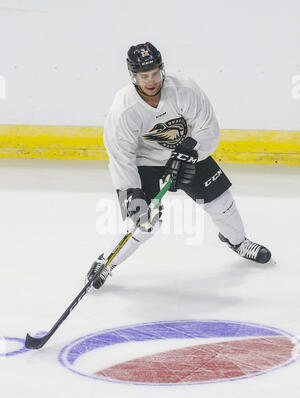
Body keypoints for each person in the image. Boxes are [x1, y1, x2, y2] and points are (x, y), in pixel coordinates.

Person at [87, 42, 271, 289]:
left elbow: (209, 129)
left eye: (154, 74)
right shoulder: (124, 108)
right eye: (144, 76)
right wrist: (131, 192)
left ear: (162, 69)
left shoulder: (184, 89)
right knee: (144, 218)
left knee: (221, 201)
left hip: (187, 152)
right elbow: (120, 155)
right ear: (133, 76)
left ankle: (237, 241)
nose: (151, 81)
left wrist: (189, 154)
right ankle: (106, 262)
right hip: (144, 162)